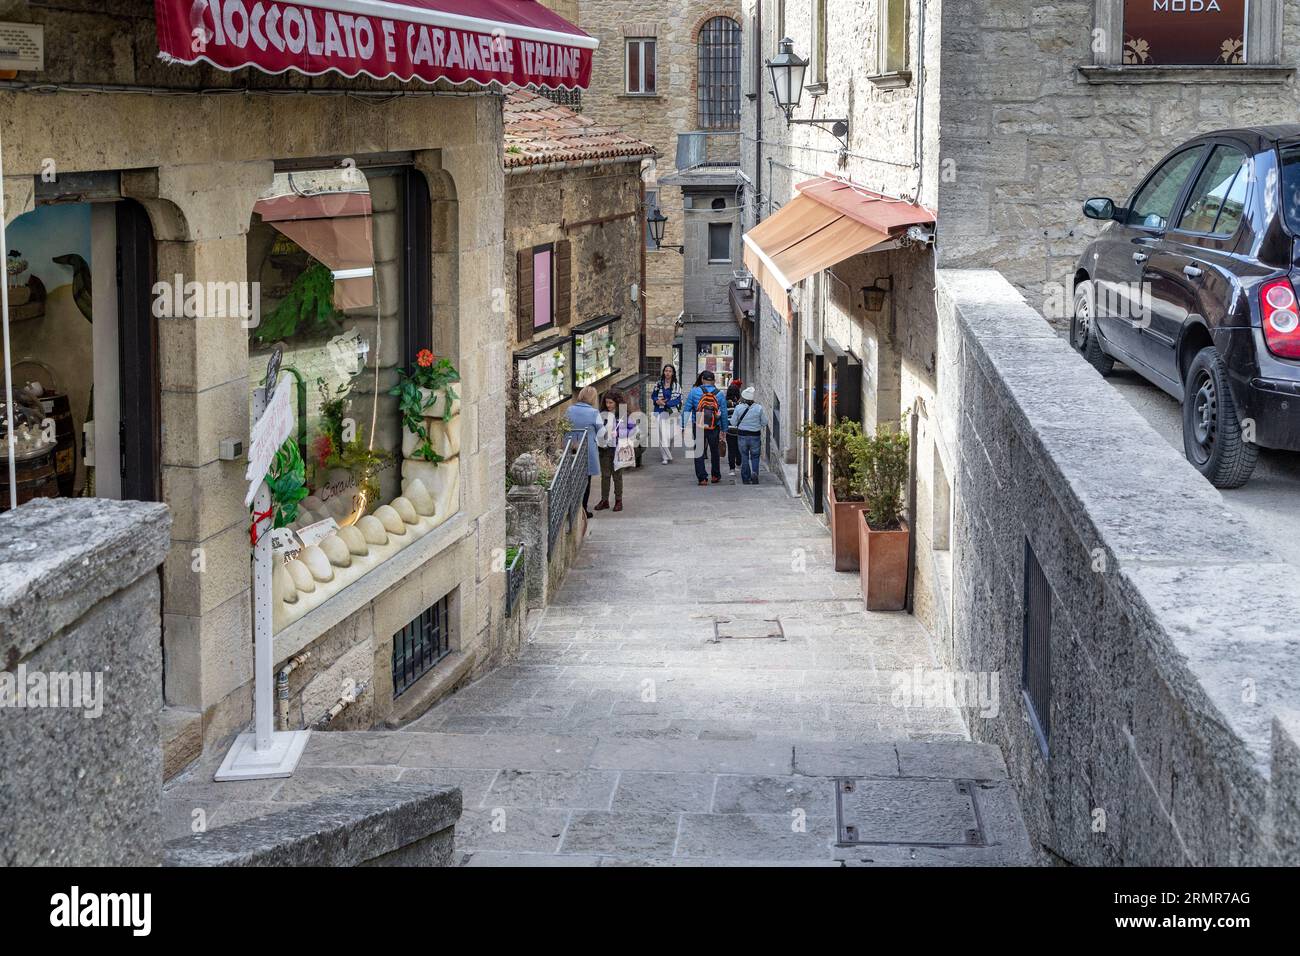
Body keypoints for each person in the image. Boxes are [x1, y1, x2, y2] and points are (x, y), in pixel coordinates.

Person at [682, 370, 729, 486]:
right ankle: (715, 475)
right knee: (714, 451)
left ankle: (702, 478)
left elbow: (687, 409)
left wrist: (682, 425)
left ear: (702, 379)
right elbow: (723, 413)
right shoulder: (719, 394)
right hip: (714, 426)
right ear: (713, 381)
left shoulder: (694, 392)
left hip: (698, 424)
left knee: (699, 452)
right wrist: (724, 430)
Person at [595, 388, 635, 513]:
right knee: (605, 475)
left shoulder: (623, 414)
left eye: (611, 403)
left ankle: (618, 500)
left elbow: (632, 429)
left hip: (618, 449)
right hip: (604, 448)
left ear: (617, 402)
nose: (608, 405)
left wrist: (618, 433)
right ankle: (604, 500)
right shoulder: (602, 414)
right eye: (607, 402)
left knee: (617, 476)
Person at [567, 386, 602, 517]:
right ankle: (583, 510)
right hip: (588, 451)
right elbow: (602, 433)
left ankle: (573, 509)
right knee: (586, 481)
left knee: (572, 480)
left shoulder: (570, 409)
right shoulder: (594, 413)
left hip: (571, 449)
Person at [731, 386, 766, 484]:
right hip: (755, 435)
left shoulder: (738, 408)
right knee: (755, 456)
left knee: (744, 456)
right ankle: (754, 473)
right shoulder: (759, 408)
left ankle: (745, 478)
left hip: (742, 436)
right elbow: (764, 422)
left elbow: (733, 422)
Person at [650, 365, 682, 465]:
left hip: (672, 412)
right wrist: (657, 401)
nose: (667, 373)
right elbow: (653, 396)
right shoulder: (658, 384)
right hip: (660, 411)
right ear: (664, 372)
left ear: (673, 373)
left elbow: (679, 400)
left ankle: (669, 451)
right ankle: (665, 457)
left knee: (671, 436)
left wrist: (666, 403)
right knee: (662, 434)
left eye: (670, 371)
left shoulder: (677, 385)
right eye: (666, 371)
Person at [725, 379, 744, 483]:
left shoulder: (725, 403)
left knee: (731, 449)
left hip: (729, 430)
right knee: (739, 448)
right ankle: (738, 464)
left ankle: (731, 469)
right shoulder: (740, 404)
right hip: (740, 430)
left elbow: (723, 417)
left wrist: (723, 430)